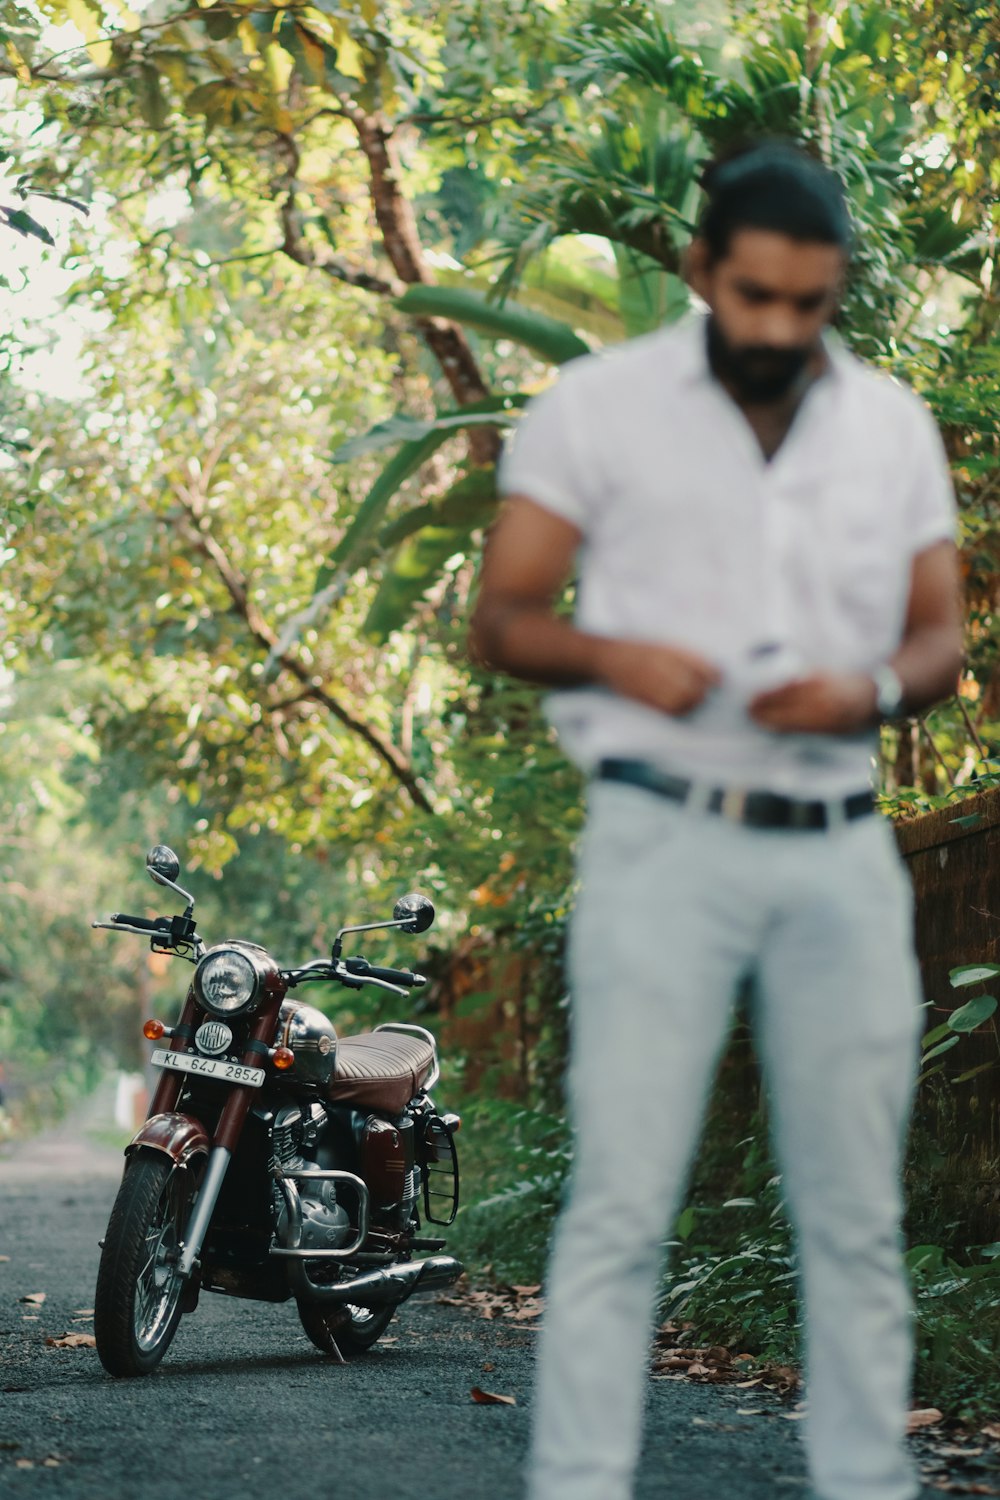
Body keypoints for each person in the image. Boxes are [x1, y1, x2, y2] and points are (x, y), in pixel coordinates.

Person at [470, 141, 964, 1500]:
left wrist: (860, 688)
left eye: (811, 305)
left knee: (857, 1220)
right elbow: (501, 618)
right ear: (699, 271)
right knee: (624, 1204)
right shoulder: (596, 409)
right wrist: (618, 659)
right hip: (660, 843)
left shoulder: (891, 426)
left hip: (841, 850)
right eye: (756, 299)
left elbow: (938, 645)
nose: (782, 331)